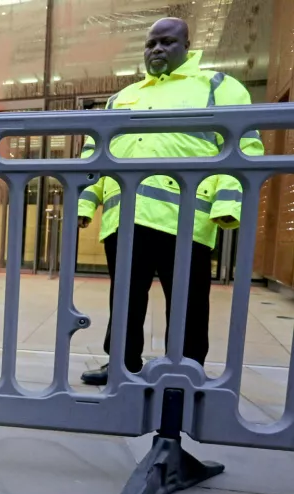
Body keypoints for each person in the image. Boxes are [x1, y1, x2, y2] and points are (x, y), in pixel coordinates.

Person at [77, 17, 264, 386]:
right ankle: (121, 364)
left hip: (186, 219)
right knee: (125, 299)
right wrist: (86, 203)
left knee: (189, 302)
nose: (157, 49)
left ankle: (186, 367)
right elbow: (94, 153)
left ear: (187, 46)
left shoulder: (218, 86)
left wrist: (226, 205)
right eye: (151, 44)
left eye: (166, 42)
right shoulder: (122, 97)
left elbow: (244, 146)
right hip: (126, 217)